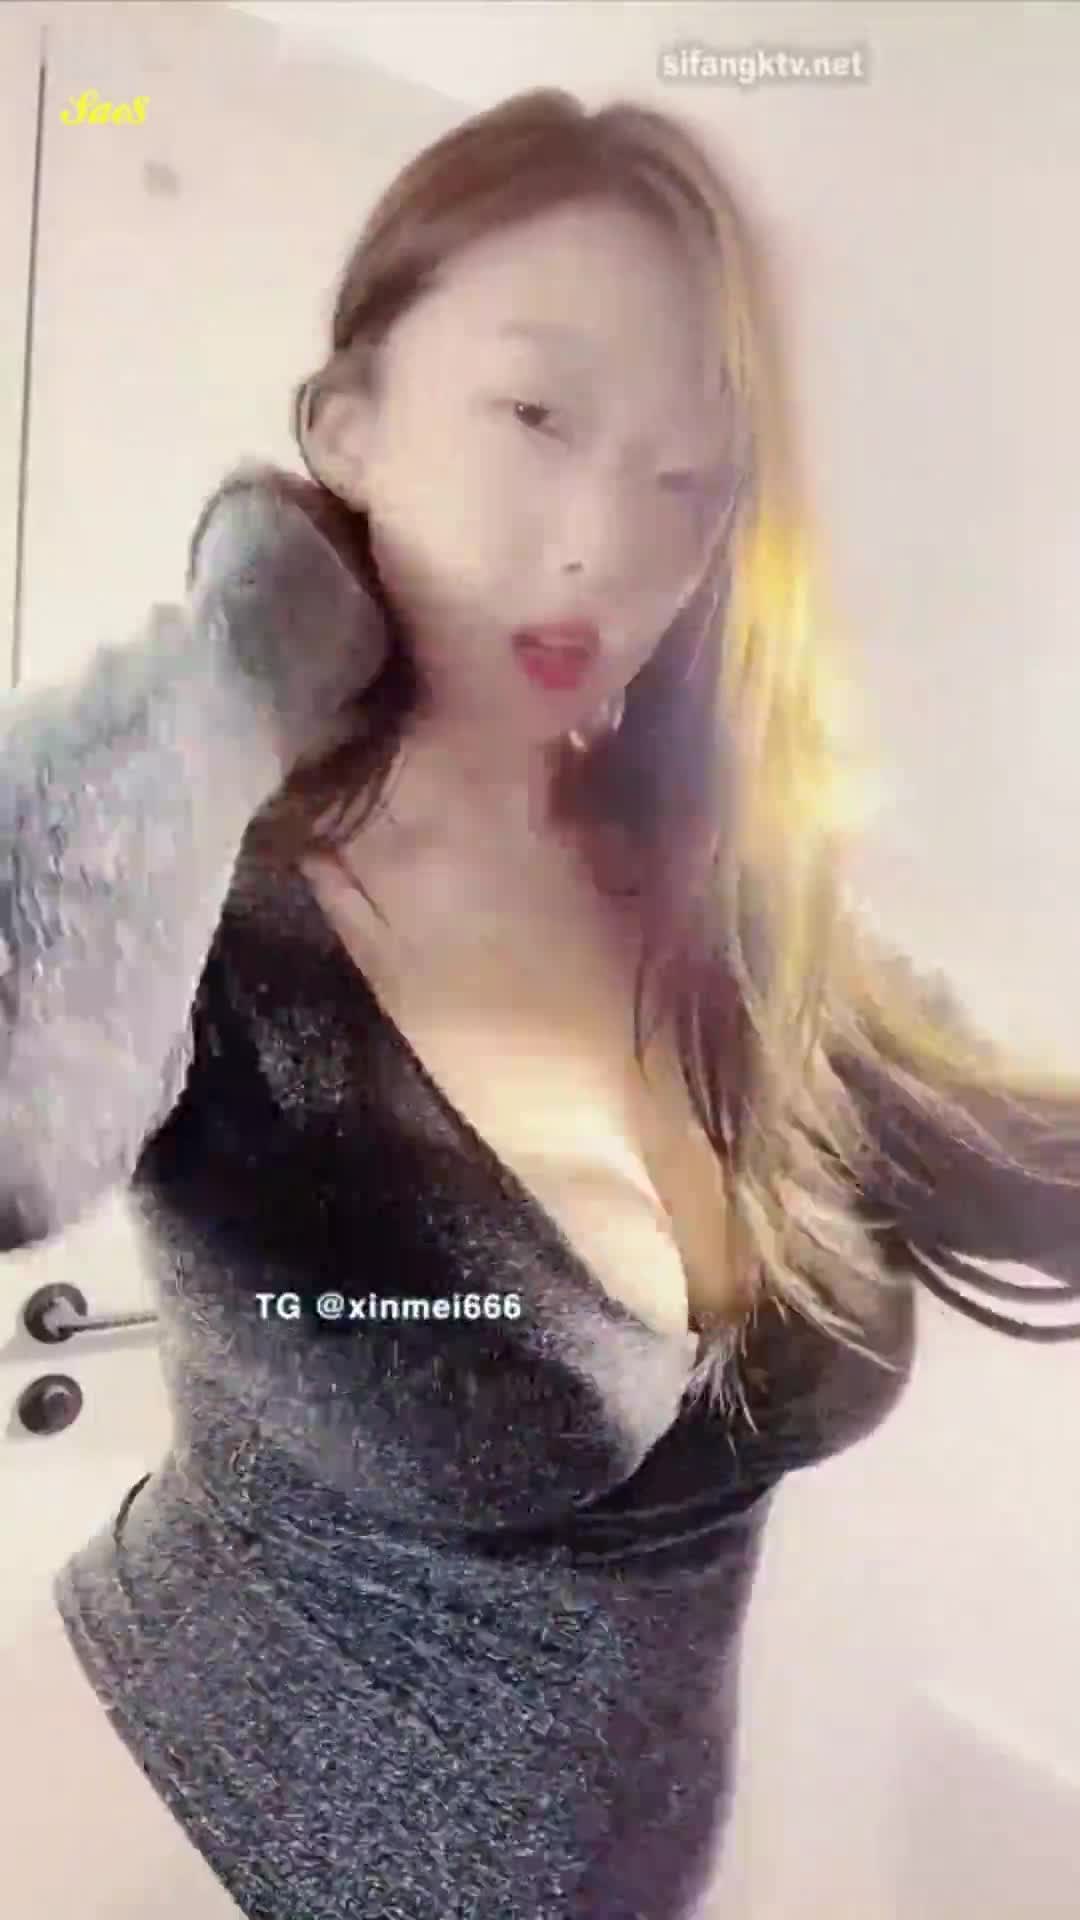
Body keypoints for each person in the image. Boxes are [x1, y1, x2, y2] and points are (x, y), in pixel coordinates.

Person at [3, 88, 1079, 1920]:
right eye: (537, 416)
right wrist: (253, 641)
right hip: (147, 1838)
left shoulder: (733, 905)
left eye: (687, 480)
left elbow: (1041, 1167)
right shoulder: (221, 909)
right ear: (348, 425)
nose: (602, 541)